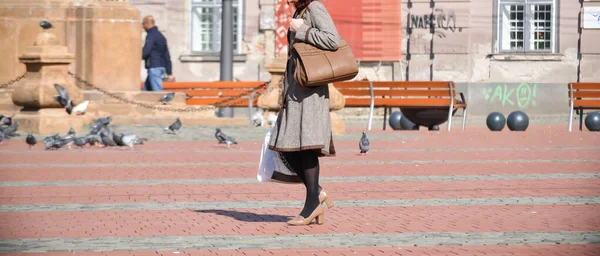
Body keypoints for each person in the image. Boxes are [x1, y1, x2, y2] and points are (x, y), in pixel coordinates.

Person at [268, 0, 339, 226]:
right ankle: (316, 194)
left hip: (310, 92)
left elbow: (332, 40)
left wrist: (303, 30)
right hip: (295, 91)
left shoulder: (315, 7)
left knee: (306, 147)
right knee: (286, 148)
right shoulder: (300, 10)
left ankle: (311, 205)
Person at [142, 15, 174, 92]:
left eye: (143, 25)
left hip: (154, 67)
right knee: (145, 92)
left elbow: (146, 50)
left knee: (158, 92)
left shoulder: (151, 35)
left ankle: (165, 102)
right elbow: (166, 55)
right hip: (160, 67)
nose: (143, 27)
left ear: (147, 24)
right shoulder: (161, 36)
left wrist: (136, 57)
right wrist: (169, 72)